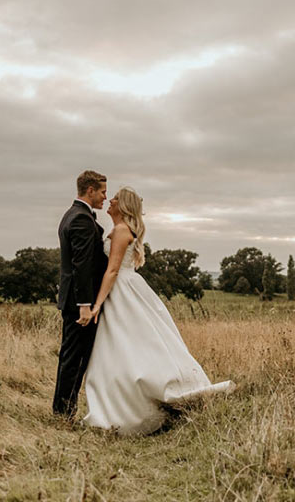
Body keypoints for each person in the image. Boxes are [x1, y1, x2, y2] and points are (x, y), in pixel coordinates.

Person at [82, 186, 235, 435]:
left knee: (127, 344)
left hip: (121, 290)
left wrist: (97, 303)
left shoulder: (121, 231)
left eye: (116, 198)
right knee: (122, 346)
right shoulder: (119, 229)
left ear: (124, 206)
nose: (110, 200)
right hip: (125, 287)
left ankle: (131, 405)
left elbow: (112, 271)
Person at [52, 169, 109, 419]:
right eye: (103, 192)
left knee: (71, 357)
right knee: (74, 359)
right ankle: (64, 413)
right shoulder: (81, 220)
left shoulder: (72, 215)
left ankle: (63, 410)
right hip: (79, 304)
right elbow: (81, 266)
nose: (105, 197)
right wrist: (85, 305)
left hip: (74, 300)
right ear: (90, 190)